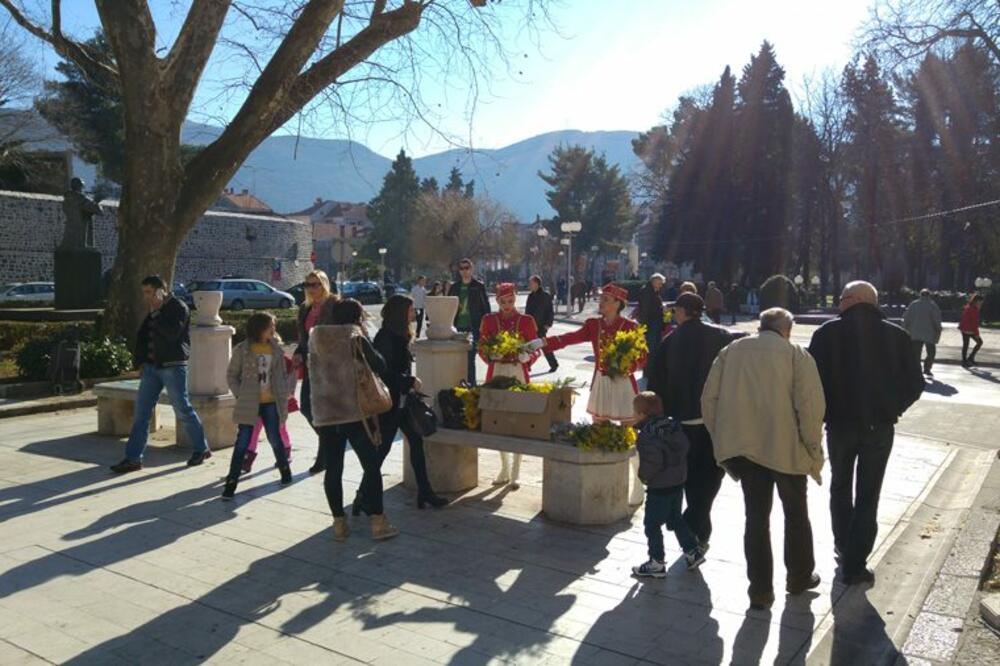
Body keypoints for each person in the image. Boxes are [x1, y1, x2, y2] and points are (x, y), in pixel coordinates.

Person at [702, 308, 826, 609]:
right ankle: (799, 577)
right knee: (796, 515)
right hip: (788, 449)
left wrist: (722, 439)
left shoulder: (731, 351)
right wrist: (814, 452)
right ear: (787, 330)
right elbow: (810, 408)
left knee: (756, 518)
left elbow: (709, 399)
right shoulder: (796, 355)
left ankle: (760, 591)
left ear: (761, 326)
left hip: (745, 450)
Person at [808, 281, 924, 585]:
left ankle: (843, 546)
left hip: (839, 425)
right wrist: (892, 408)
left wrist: (826, 412)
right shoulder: (897, 336)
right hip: (879, 426)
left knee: (840, 486)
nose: (839, 304)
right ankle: (855, 563)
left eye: (843, 298)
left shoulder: (826, 334)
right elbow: (915, 384)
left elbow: (810, 383)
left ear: (855, 300)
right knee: (869, 493)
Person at [645, 292, 733, 550]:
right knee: (710, 475)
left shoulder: (669, 341)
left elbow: (656, 383)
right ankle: (697, 523)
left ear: (682, 311)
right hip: (713, 421)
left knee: (686, 476)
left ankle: (693, 522)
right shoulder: (721, 336)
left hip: (680, 423)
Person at [310, 299, 398, 541]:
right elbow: (379, 364)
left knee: (333, 469)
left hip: (327, 412)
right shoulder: (354, 335)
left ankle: (339, 525)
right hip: (354, 412)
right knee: (371, 466)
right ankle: (378, 523)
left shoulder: (315, 336)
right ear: (357, 316)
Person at [111, 275, 211, 473]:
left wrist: (157, 312)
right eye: (145, 292)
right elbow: (143, 336)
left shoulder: (178, 307)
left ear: (160, 290)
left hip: (173, 366)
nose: (146, 296)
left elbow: (172, 334)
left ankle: (201, 447)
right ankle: (133, 458)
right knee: (141, 414)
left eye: (149, 292)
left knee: (182, 408)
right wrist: (140, 361)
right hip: (151, 368)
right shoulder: (153, 311)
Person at [371, 295, 448, 510]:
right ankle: (362, 496)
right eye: (411, 309)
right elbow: (382, 373)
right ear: (400, 312)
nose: (414, 313)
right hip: (391, 403)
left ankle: (425, 491)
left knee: (416, 442)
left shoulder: (400, 334)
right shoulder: (385, 337)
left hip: (403, 401)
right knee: (382, 451)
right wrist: (409, 380)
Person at [543, 284, 645, 422]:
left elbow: (642, 355)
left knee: (627, 423)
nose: (600, 302)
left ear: (617, 304)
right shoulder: (594, 325)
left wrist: (628, 367)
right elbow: (572, 337)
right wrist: (547, 342)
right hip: (601, 379)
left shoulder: (630, 326)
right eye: (601, 299)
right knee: (598, 423)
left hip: (623, 380)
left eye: (606, 299)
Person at [631, 392, 705, 579]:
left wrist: (643, 476)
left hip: (659, 486)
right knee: (675, 518)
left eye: (635, 413)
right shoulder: (673, 426)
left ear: (642, 414)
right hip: (677, 481)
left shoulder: (647, 435)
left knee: (652, 524)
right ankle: (692, 551)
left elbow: (653, 461)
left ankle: (656, 561)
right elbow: (684, 447)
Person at [221, 313, 295, 499]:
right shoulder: (243, 350)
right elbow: (231, 375)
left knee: (275, 438)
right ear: (260, 328)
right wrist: (240, 393)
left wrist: (286, 390)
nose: (274, 329)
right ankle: (231, 482)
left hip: (271, 402)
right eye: (271, 326)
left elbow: (286, 373)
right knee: (242, 443)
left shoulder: (276, 350)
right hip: (249, 402)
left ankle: (285, 472)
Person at [479, 283, 540, 488]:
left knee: (519, 419)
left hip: (517, 370)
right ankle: (504, 467)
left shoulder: (526, 320)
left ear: (515, 299)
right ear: (496, 301)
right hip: (496, 371)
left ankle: (516, 472)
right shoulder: (488, 320)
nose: (507, 305)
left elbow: (536, 347)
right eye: (503, 301)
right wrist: (489, 355)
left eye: (511, 301)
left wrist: (527, 357)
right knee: (498, 419)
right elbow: (481, 345)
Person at [292, 270, 339, 475]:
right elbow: (303, 338)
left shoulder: (334, 305)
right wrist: (298, 351)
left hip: (329, 366)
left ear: (324, 284)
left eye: (315, 284)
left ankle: (325, 455)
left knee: (324, 413)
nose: (311, 288)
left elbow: (342, 333)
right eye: (308, 285)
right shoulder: (305, 308)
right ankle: (329, 446)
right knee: (306, 409)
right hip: (311, 365)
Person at [240, 353, 296, 473]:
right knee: (254, 429)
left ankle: (285, 451)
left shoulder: (284, 360)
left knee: (279, 430)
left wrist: (289, 392)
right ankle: (247, 460)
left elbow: (292, 375)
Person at [448, 259, 491, 384]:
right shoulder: (455, 287)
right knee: (457, 358)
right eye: (461, 268)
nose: (464, 271)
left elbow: (485, 307)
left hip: (473, 327)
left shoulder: (478, 286)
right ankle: (458, 383)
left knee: (470, 358)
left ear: (472, 269)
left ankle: (472, 386)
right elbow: (449, 305)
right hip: (457, 327)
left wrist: (486, 326)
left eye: (467, 268)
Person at [903, 288, 943, 376]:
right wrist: (939, 330)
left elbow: (906, 318)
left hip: (915, 333)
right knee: (931, 352)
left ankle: (917, 369)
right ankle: (927, 368)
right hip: (929, 333)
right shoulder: (933, 306)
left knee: (916, 353)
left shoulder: (913, 304)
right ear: (929, 295)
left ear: (920, 295)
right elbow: (936, 320)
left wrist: (905, 329)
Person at [525, 275, 558, 373]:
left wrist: (548, 324)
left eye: (531, 283)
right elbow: (527, 312)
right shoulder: (530, 296)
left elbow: (550, 311)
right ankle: (527, 365)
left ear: (537, 284)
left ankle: (554, 364)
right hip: (530, 325)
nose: (530, 285)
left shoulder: (545, 296)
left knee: (544, 345)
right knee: (528, 346)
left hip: (541, 325)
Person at [636, 273, 665, 355]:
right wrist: (644, 323)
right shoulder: (648, 291)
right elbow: (646, 308)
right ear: (654, 281)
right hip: (651, 323)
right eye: (660, 283)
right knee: (651, 347)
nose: (661, 286)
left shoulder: (652, 291)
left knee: (653, 346)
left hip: (653, 322)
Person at [960, 294, 984, 368]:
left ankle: (965, 361)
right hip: (969, 329)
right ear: (976, 301)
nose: (981, 303)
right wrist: (976, 333)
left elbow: (964, 318)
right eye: (980, 302)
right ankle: (969, 358)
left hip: (964, 329)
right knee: (979, 342)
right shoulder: (973, 309)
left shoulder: (969, 307)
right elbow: (974, 323)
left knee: (966, 345)